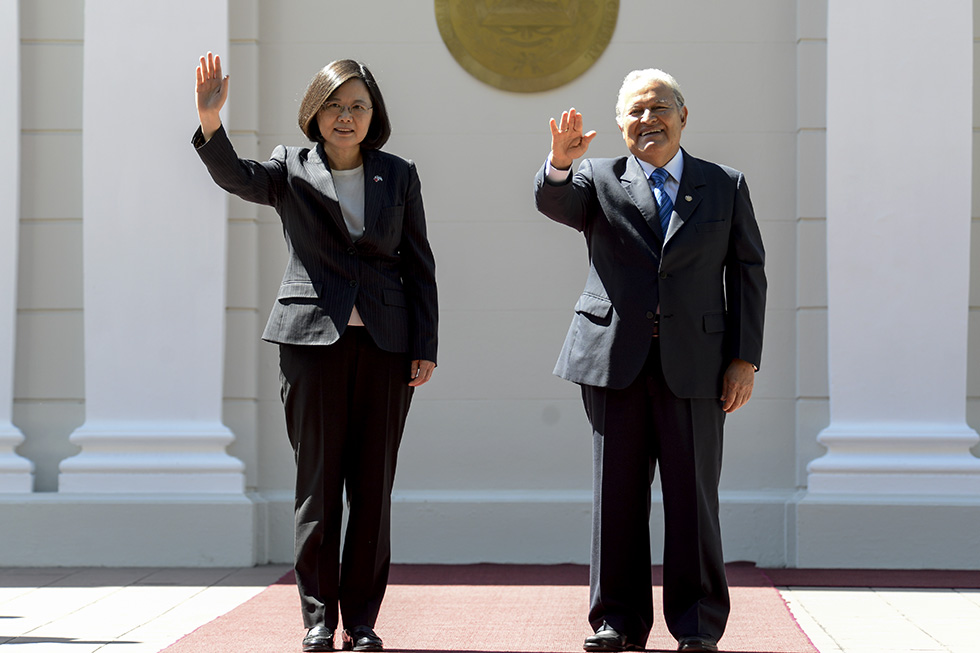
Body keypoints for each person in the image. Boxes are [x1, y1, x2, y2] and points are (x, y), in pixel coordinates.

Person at [193, 52, 438, 652]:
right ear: (314, 113)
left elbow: (419, 265)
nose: (345, 116)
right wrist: (210, 122)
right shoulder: (290, 167)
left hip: (386, 345)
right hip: (311, 343)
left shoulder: (399, 174)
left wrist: (425, 345)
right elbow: (237, 177)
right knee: (318, 483)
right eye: (333, 105)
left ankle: (361, 622)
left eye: (357, 105)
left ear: (373, 114)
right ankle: (317, 620)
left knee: (372, 487)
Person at [533, 69, 766, 653]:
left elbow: (747, 274)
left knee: (693, 499)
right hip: (614, 360)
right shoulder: (597, 178)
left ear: (683, 116)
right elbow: (554, 201)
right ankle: (617, 621)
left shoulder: (723, 184)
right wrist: (559, 162)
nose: (647, 120)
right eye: (635, 112)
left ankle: (697, 625)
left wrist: (745, 358)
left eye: (659, 108)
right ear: (619, 124)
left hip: (698, 364)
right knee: (617, 495)